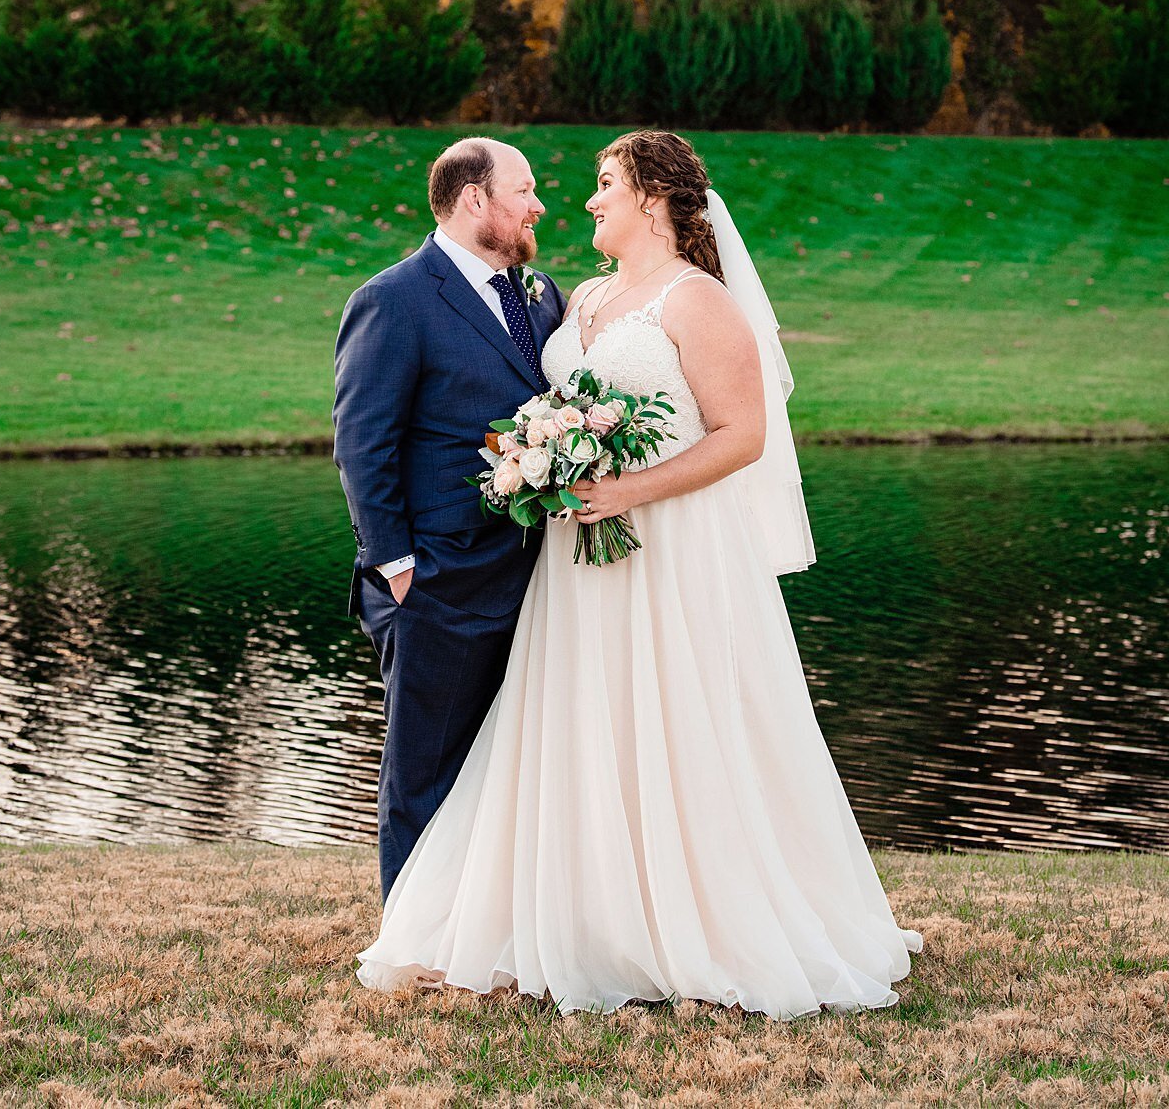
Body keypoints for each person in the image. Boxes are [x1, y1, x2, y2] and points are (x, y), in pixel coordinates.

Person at [354, 129, 922, 1016]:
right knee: (580, 734)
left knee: (681, 728)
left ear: (654, 198)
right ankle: (580, 917)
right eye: (561, 187)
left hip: (673, 557)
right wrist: (535, 465)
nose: (583, 201)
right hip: (572, 572)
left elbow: (745, 436)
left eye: (604, 183)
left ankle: (691, 921)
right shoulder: (576, 300)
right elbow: (429, 426)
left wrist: (630, 490)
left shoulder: (698, 301)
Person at [332, 137, 567, 903]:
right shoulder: (394, 298)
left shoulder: (541, 295)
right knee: (425, 770)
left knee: (516, 767)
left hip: (537, 577)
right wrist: (398, 568)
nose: (538, 206)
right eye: (525, 190)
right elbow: (363, 445)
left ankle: (493, 923)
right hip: (438, 582)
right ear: (476, 200)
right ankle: (412, 935)